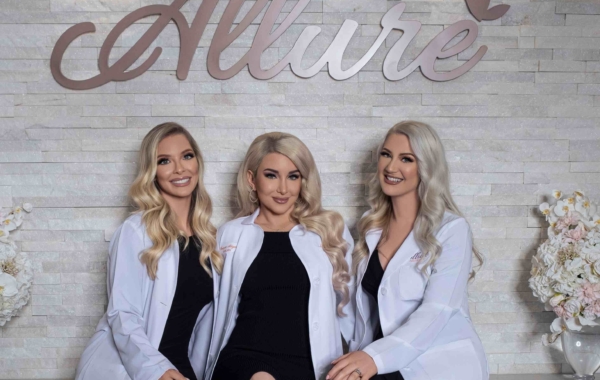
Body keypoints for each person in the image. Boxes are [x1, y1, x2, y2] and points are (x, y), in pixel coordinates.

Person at [327, 121, 488, 380]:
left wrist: (373, 358)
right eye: (386, 155)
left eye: (406, 159)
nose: (391, 167)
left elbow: (438, 311)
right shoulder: (370, 226)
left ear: (426, 167)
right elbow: (356, 311)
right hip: (379, 363)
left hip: (437, 367)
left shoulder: (452, 230)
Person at [75, 122, 222, 380]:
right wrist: (156, 370)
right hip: (135, 369)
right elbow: (122, 313)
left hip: (182, 368)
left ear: (197, 161)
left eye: (187, 156)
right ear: (152, 171)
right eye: (165, 161)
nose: (179, 168)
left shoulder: (209, 238)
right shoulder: (136, 231)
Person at [206, 132, 355, 380]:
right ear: (252, 179)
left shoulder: (329, 233)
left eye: (293, 176)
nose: (283, 188)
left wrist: (368, 360)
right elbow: (212, 309)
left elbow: (352, 312)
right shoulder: (230, 234)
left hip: (312, 365)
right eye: (271, 175)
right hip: (244, 358)